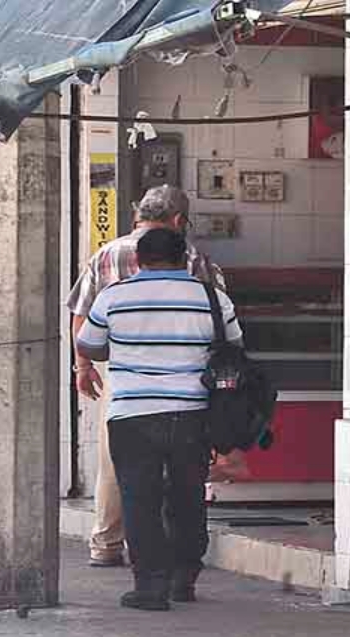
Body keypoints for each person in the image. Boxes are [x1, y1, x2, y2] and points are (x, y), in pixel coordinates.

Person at [76, 227, 243, 610]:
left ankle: (150, 585)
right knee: (187, 497)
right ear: (184, 258)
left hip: (133, 414)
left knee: (140, 498)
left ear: (138, 260)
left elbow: (89, 343)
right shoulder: (212, 298)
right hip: (193, 414)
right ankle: (184, 578)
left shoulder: (115, 296)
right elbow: (234, 346)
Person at [65, 185, 225, 568]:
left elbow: (81, 316)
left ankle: (108, 544)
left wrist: (83, 366)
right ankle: (176, 557)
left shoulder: (106, 254)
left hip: (123, 375)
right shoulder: (193, 258)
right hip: (188, 377)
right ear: (178, 221)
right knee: (182, 471)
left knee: (117, 462)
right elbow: (221, 318)